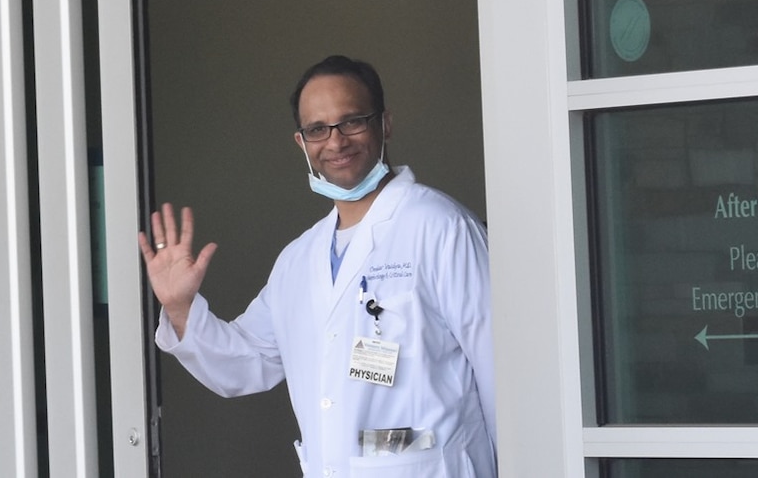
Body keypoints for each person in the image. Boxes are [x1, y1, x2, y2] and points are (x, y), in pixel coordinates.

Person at [138, 54, 496, 478]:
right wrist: (180, 307)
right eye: (317, 129)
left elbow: (501, 373)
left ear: (385, 125)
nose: (336, 141)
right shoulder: (299, 260)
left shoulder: (440, 228)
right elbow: (246, 363)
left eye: (352, 121)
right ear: (302, 142)